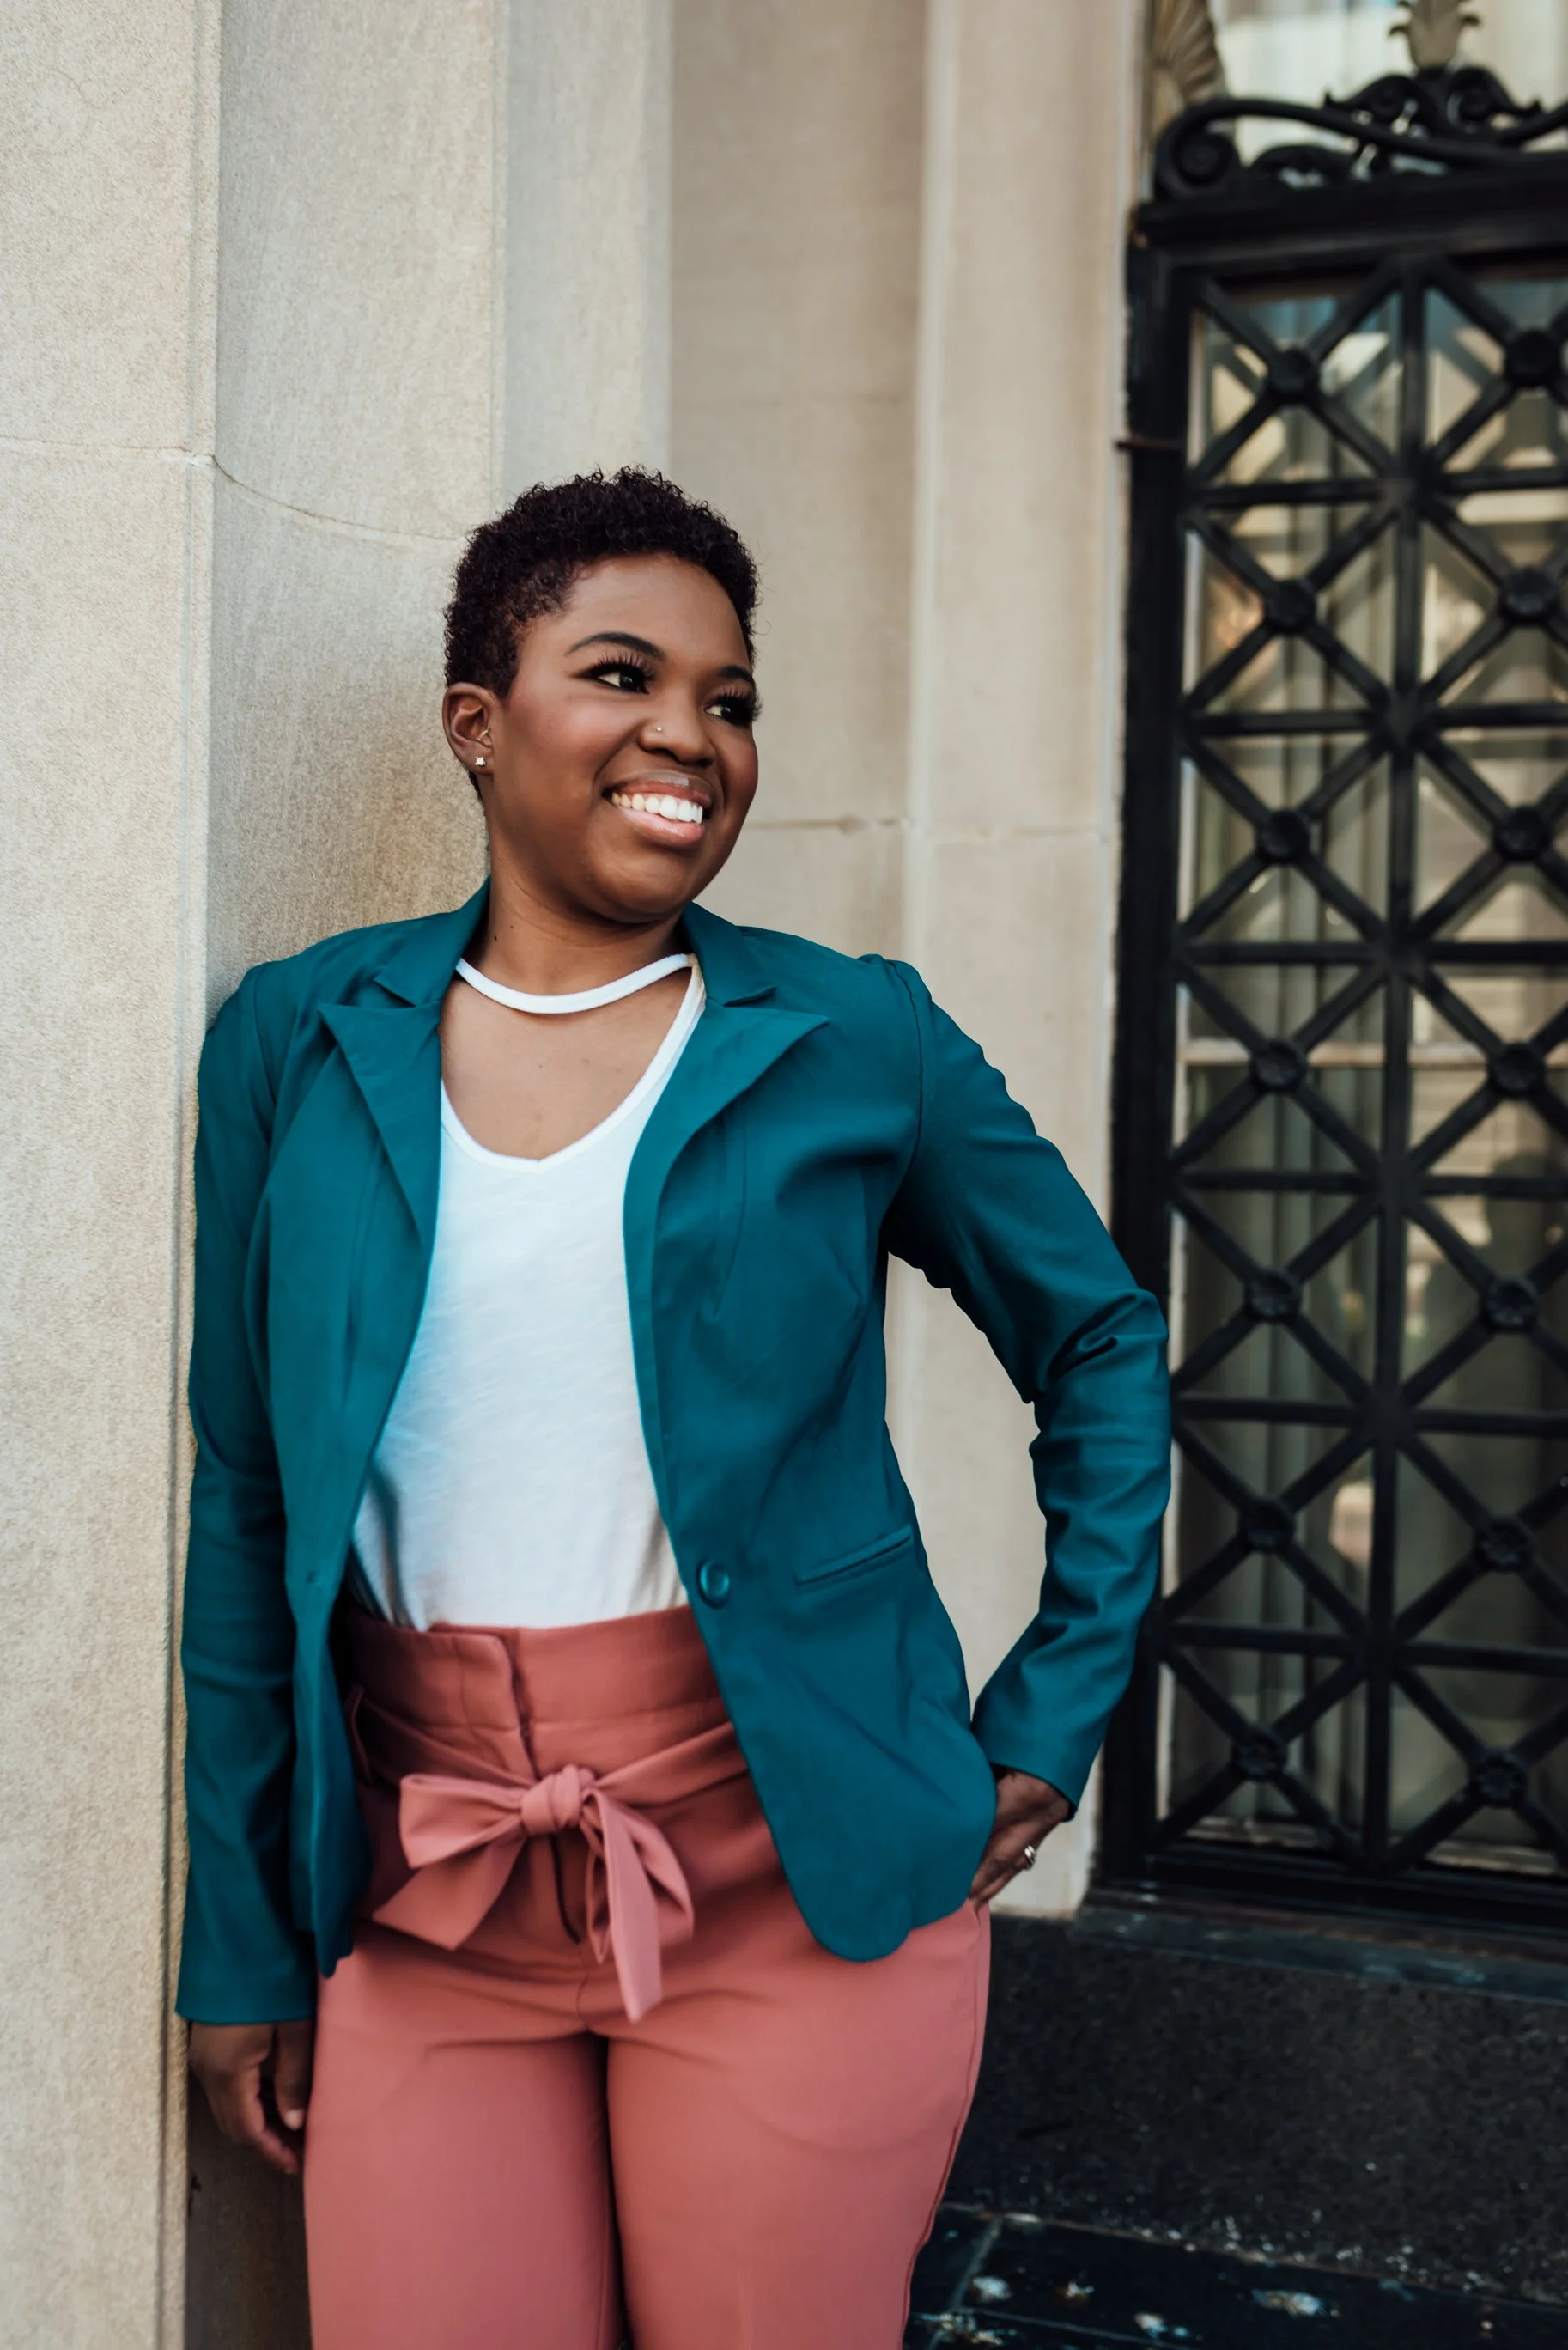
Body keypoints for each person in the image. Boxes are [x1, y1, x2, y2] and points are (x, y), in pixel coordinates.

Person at [179, 467, 1170, 2349]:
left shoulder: (852, 1038)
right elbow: (247, 1508)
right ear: (479, 725)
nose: (688, 739)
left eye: (729, 699)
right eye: (622, 675)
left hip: (794, 1879)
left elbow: (1102, 1342)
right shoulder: (298, 1039)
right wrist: (242, 1933)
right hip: (424, 1894)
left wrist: (1051, 1708)